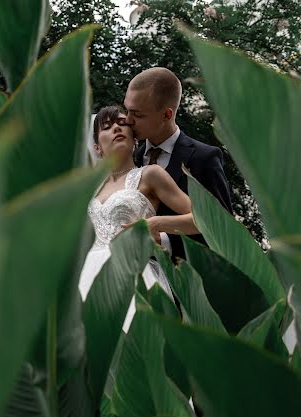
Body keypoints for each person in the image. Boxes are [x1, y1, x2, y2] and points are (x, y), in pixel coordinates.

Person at [79, 105, 197, 330]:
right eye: (107, 126)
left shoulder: (149, 174)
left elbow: (202, 219)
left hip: (134, 275)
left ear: (134, 138)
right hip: (89, 277)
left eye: (122, 123)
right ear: (97, 147)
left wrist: (156, 224)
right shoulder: (89, 189)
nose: (116, 128)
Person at [124, 67, 232, 260]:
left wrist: (164, 240)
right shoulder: (130, 159)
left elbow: (223, 230)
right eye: (127, 110)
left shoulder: (204, 158)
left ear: (167, 115)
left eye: (138, 115)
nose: (128, 121)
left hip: (184, 282)